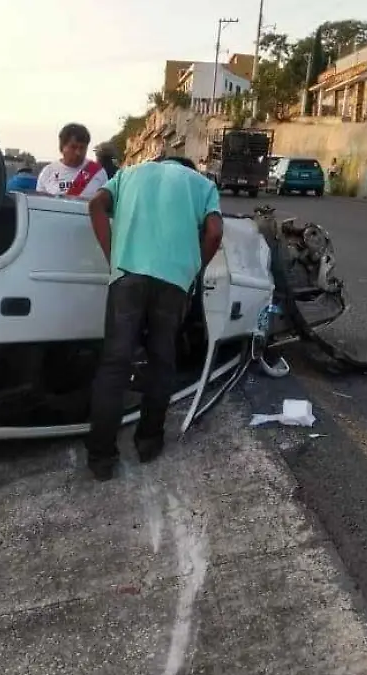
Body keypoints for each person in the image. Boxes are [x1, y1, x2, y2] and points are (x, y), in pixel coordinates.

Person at [84, 155, 224, 481]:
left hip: (127, 275)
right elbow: (215, 232)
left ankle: (101, 458)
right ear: (188, 168)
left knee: (115, 364)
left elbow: (95, 205)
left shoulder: (128, 174)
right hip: (174, 283)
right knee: (162, 360)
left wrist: (112, 256)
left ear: (160, 161)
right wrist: (193, 270)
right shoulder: (202, 184)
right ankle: (148, 441)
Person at [37, 123, 108, 198]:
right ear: (62, 147)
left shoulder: (98, 172)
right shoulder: (48, 172)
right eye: (73, 147)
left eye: (82, 148)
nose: (78, 153)